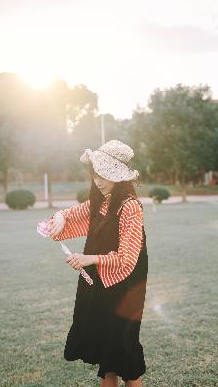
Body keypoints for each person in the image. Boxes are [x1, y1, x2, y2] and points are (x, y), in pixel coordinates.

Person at [47, 140, 148, 387]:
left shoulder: (130, 207)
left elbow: (127, 258)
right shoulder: (100, 202)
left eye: (104, 175)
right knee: (108, 355)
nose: (98, 181)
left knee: (125, 353)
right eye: (95, 174)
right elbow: (72, 215)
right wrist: (58, 217)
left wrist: (88, 259)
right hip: (100, 285)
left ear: (119, 177)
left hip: (124, 289)